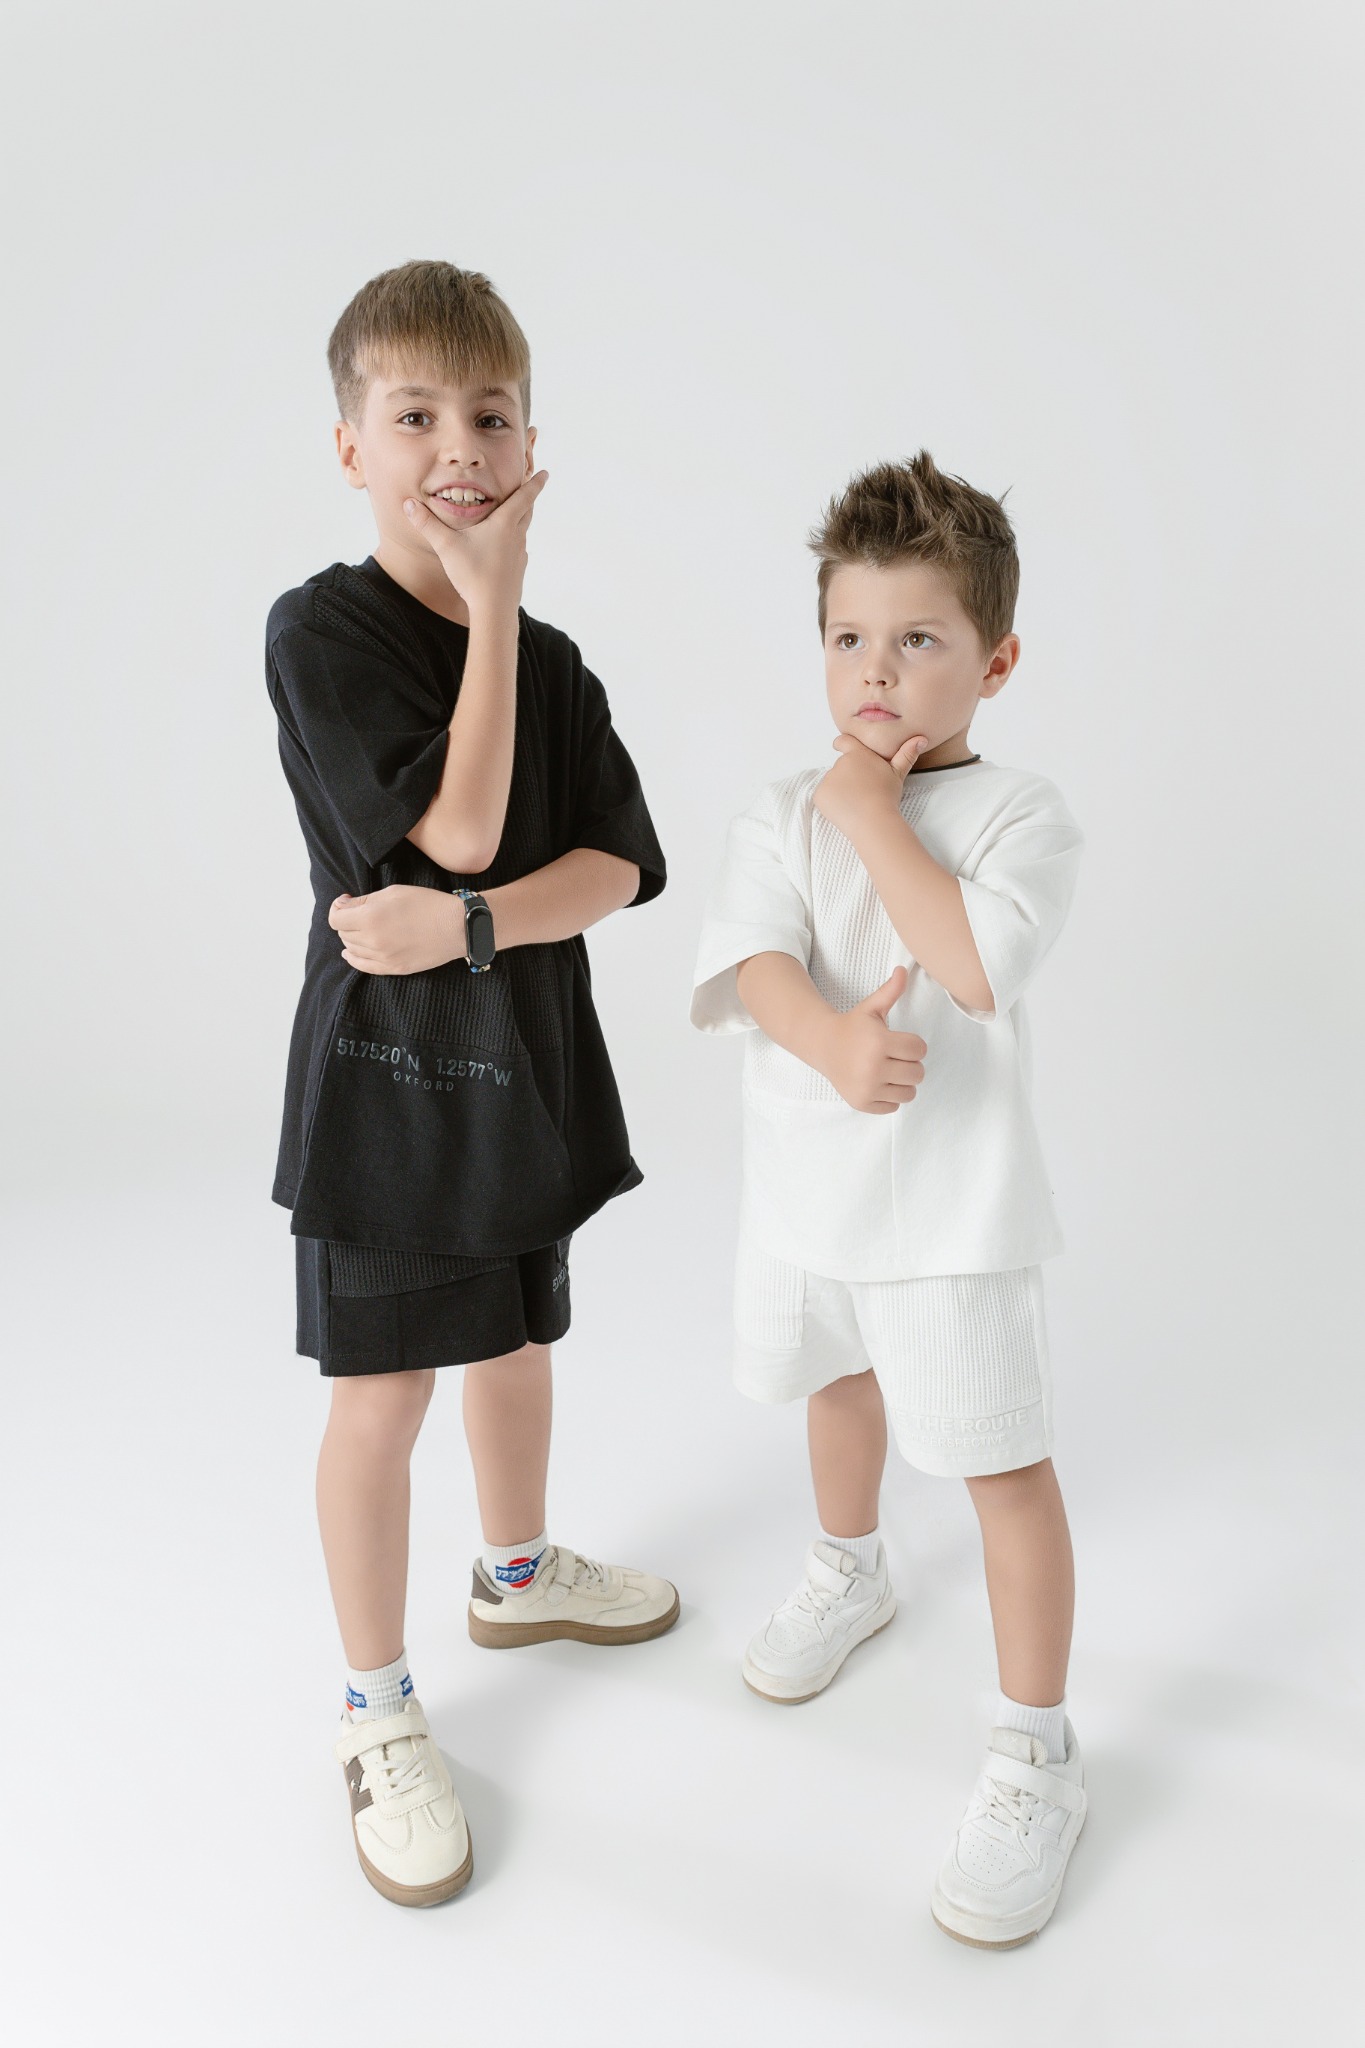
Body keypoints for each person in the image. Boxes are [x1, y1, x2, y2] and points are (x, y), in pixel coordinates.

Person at [265, 260, 677, 1909]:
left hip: (522, 1072)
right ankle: (375, 1707)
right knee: (385, 1396)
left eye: (490, 416)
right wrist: (488, 605)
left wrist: (476, 925)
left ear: (530, 445)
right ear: (350, 446)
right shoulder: (322, 633)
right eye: (415, 414)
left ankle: (513, 1573)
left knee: (515, 1341)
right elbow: (454, 827)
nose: (457, 447)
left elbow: (611, 869)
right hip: (387, 1089)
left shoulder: (556, 666)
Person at [691, 452, 1087, 1949]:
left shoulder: (1021, 816)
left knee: (1002, 1468)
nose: (876, 671)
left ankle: (1035, 1752)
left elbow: (973, 966)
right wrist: (831, 1042)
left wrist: (872, 815)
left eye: (917, 639)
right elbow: (753, 964)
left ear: (994, 661)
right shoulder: (777, 810)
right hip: (809, 1193)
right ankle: (848, 1569)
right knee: (833, 1384)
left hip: (954, 1223)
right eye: (848, 637)